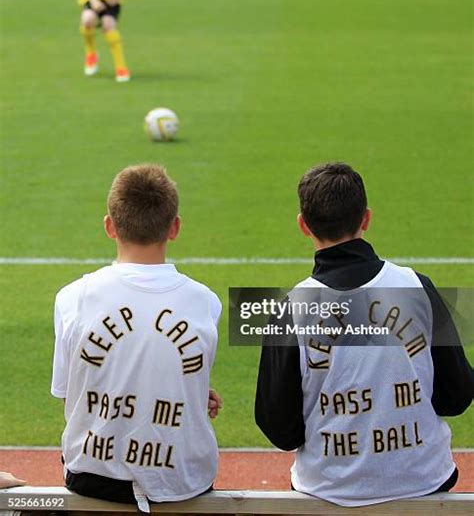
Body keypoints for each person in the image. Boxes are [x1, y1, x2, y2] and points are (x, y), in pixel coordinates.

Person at [255, 162, 473, 507]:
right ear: (366, 219)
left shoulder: (292, 309)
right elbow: (457, 396)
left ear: (303, 225)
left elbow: (280, 429)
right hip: (424, 481)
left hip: (328, 490)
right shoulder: (418, 287)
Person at [51, 164, 222, 511]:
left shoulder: (72, 297)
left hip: (93, 477)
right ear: (174, 228)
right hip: (182, 479)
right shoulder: (205, 302)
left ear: (109, 226)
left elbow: (70, 393)